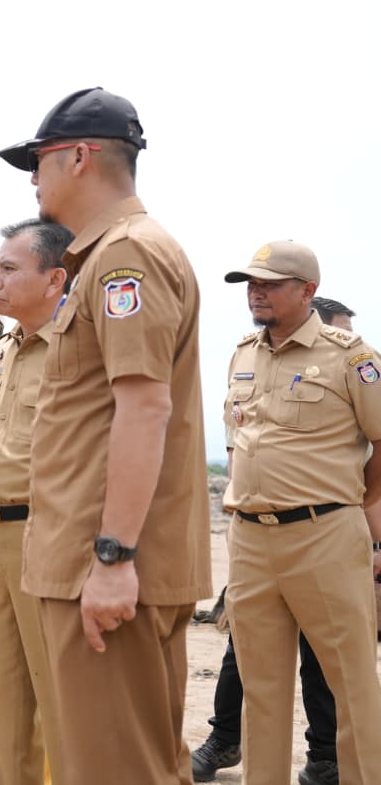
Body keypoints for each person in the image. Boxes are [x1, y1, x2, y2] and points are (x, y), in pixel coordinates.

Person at [0, 87, 211, 785]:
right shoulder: (106, 257)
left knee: (120, 770)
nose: (33, 177)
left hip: (107, 563)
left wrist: (114, 556)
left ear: (81, 157)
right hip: (87, 558)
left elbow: (144, 408)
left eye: (40, 160)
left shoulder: (127, 259)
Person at [221, 242, 381, 785]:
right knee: (260, 688)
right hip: (249, 539)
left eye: (269, 283)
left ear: (307, 291)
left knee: (351, 683)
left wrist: (362, 509)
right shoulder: (243, 353)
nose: (255, 292)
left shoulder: (350, 357)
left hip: (324, 534)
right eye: (251, 283)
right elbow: (237, 440)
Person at [191, 295, 355, 785]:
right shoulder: (252, 377)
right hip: (258, 536)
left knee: (325, 654)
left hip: (330, 535)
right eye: (339, 331)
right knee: (242, 646)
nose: (347, 341)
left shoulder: (352, 379)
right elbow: (238, 455)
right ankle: (225, 740)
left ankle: (325, 756)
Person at [0, 219, 72, 785]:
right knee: (3, 691)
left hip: (49, 534)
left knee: (58, 693)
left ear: (55, 278)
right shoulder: (6, 347)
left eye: (8, 268)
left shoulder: (79, 346)